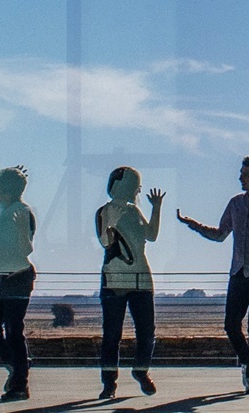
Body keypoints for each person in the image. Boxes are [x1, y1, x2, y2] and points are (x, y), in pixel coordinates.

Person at [179, 155, 249, 395]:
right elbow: (220, 234)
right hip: (238, 271)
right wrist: (193, 225)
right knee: (231, 325)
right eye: (241, 173)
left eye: (246, 174)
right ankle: (248, 361)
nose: (240, 178)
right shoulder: (235, 204)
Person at [94, 166, 163, 399]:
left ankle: (141, 370)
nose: (136, 190)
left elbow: (152, 236)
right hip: (114, 278)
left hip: (141, 277)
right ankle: (109, 382)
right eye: (133, 185)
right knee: (112, 334)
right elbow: (105, 240)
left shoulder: (134, 212)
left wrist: (156, 209)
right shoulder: (105, 211)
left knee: (147, 331)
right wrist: (113, 218)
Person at [0, 167, 38, 401]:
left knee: (14, 330)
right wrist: (2, 175)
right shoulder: (2, 207)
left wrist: (19, 230)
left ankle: (20, 383)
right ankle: (18, 364)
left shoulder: (22, 211)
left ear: (8, 190)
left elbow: (27, 248)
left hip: (17, 276)